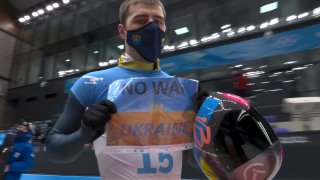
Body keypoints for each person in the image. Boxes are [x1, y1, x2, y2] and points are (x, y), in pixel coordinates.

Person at [46, 0, 207, 179]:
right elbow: (54, 151)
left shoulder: (182, 91)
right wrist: (84, 133)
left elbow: (194, 160)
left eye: (158, 21)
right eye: (140, 20)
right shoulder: (91, 83)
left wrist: (208, 127)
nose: (152, 28)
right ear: (123, 31)